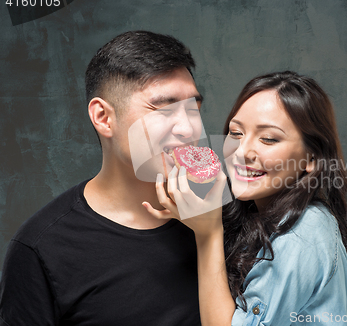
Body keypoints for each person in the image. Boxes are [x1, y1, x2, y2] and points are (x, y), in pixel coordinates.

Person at [0, 31, 204, 325]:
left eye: (193, 107)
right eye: (163, 108)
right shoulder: (41, 248)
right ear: (103, 117)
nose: (188, 128)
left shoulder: (221, 212)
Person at [145, 71, 347, 325]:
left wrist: (208, 234)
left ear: (312, 158)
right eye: (236, 133)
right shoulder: (259, 216)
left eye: (268, 138)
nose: (242, 152)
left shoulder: (303, 232)